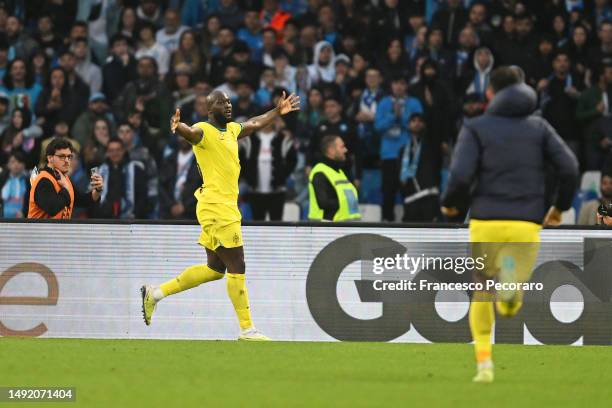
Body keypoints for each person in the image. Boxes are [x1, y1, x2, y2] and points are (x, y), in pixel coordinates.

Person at [441, 67, 579, 383]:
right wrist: (559, 207)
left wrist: (451, 205)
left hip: (485, 221)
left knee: (481, 289)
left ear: (491, 93)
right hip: (526, 223)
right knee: (509, 296)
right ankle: (511, 288)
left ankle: (484, 365)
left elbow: (461, 175)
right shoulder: (539, 128)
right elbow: (570, 167)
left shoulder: (475, 127)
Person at [141, 89, 300, 340]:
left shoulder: (232, 131)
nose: (227, 105)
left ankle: (155, 293)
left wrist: (277, 111)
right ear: (209, 108)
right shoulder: (203, 130)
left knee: (215, 269)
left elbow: (254, 123)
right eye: (221, 102)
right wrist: (178, 127)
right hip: (217, 208)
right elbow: (191, 134)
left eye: (228, 102)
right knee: (238, 264)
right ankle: (247, 329)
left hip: (220, 206)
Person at [27, 138, 104, 219]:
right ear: (50, 158)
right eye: (62, 156)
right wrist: (65, 188)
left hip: (59, 231)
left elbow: (82, 200)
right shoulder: (43, 180)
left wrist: (97, 190)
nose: (67, 161)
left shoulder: (64, 179)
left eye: (69, 157)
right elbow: (53, 208)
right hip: (39, 231)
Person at [308, 134, 361, 222]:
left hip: (345, 228)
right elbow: (323, 203)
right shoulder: (320, 172)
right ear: (331, 150)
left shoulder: (340, 172)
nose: (345, 150)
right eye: (342, 147)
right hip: (326, 229)